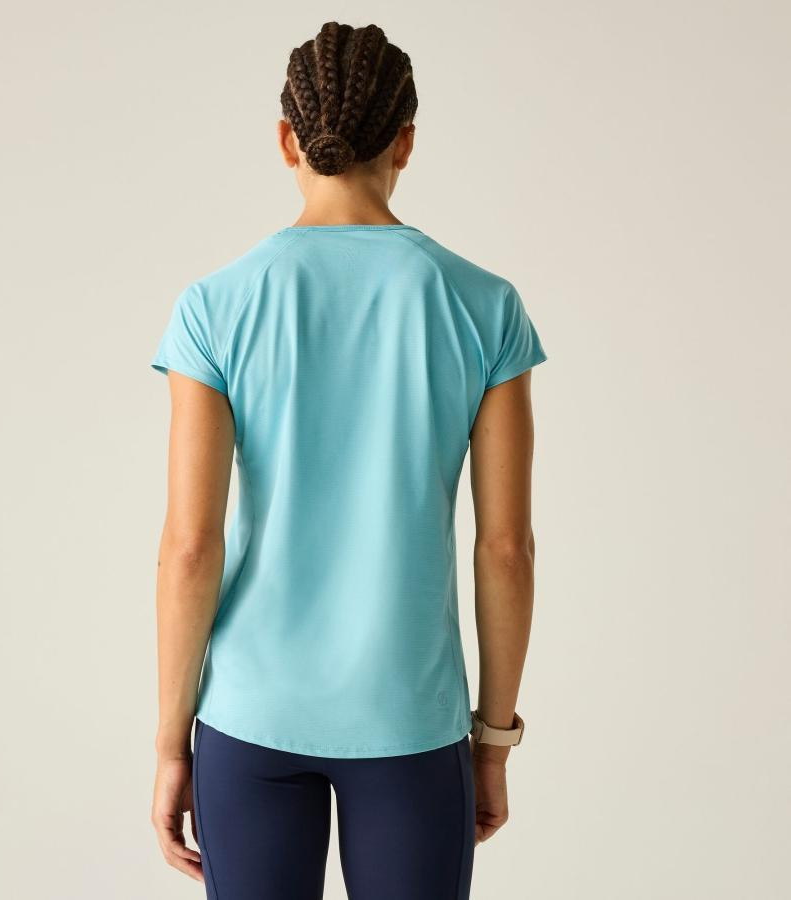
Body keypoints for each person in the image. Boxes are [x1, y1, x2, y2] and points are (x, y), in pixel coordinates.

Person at [148, 20, 547, 900]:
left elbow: (190, 548)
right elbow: (505, 549)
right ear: (406, 141)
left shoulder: (214, 308)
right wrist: (493, 741)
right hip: (410, 721)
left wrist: (173, 746)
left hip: (249, 719)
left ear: (285, 140)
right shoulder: (484, 307)